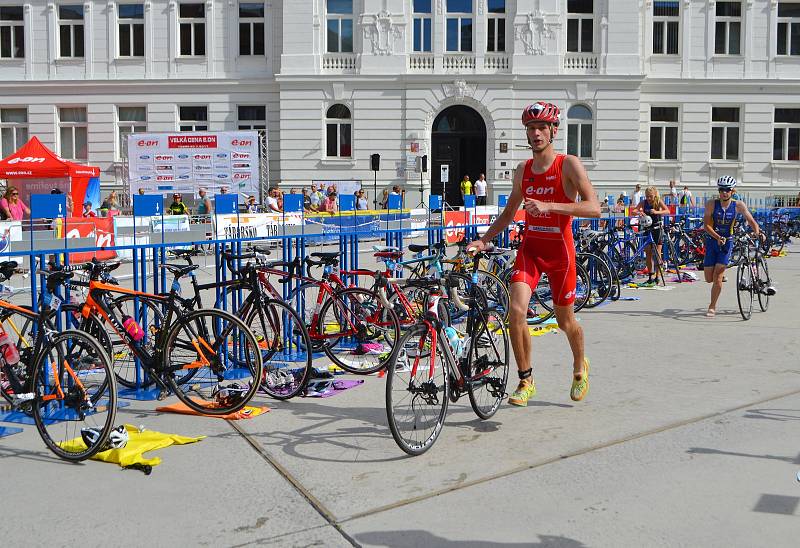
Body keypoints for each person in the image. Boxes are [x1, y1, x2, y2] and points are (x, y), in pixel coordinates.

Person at [467, 101, 600, 406]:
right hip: (531, 249)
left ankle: (580, 365)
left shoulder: (568, 164)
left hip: (560, 253)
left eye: (542, 127)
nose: (537, 133)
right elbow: (508, 212)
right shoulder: (523, 170)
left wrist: (550, 206)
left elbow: (594, 208)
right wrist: (484, 240)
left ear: (554, 130)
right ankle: (526, 380)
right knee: (515, 311)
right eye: (531, 128)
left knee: (566, 321)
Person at [703, 176, 763, 318]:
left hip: (727, 242)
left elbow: (751, 220)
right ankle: (720, 275)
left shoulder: (738, 205)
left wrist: (757, 232)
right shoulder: (711, 204)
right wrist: (717, 237)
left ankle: (712, 306)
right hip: (712, 241)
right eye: (721, 190)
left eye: (727, 190)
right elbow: (706, 225)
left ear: (732, 191)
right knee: (708, 278)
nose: (724, 193)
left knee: (717, 276)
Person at [631, 186, 670, 287]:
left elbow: (667, 211)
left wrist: (657, 212)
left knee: (657, 253)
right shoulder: (644, 202)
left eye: (650, 196)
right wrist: (639, 212)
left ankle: (658, 276)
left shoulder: (658, 201)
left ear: (655, 195)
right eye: (647, 196)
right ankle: (650, 276)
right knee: (648, 253)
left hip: (657, 229)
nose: (649, 198)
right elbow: (633, 210)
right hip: (647, 229)